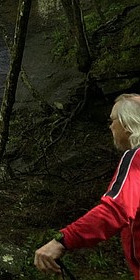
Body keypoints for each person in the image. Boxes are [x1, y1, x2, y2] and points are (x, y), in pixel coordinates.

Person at [34, 93, 140, 278]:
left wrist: (62, 240)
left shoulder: (136, 159)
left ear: (127, 123)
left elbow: (116, 211)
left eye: (112, 120)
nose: (110, 126)